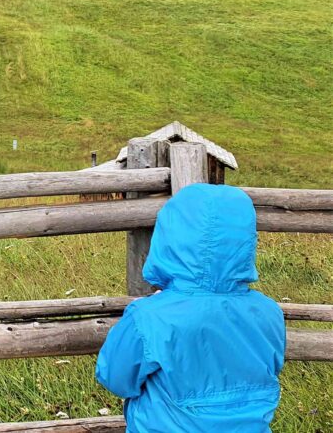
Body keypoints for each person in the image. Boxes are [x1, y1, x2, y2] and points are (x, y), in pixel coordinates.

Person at [96, 183, 285, 432]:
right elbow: (272, 366)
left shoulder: (149, 317)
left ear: (169, 239)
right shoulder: (269, 312)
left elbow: (116, 378)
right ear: (244, 241)